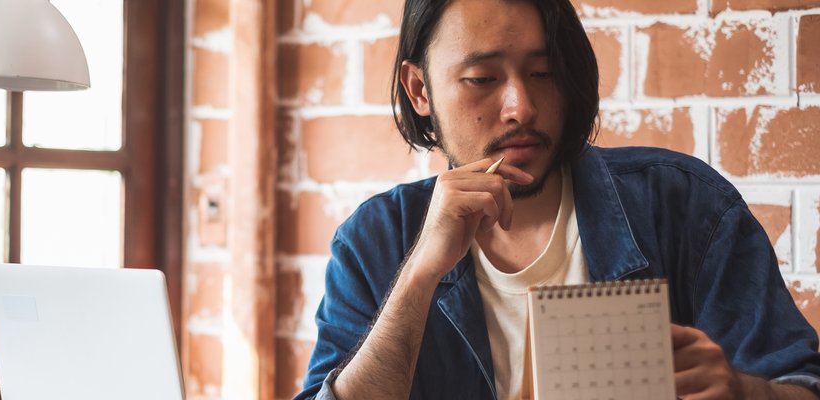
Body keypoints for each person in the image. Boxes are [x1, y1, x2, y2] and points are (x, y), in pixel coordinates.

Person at [294, 0, 820, 399]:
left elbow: (801, 382)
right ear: (419, 90)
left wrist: (743, 390)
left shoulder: (683, 205)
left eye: (544, 73)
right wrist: (418, 276)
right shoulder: (372, 242)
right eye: (481, 78)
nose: (521, 106)